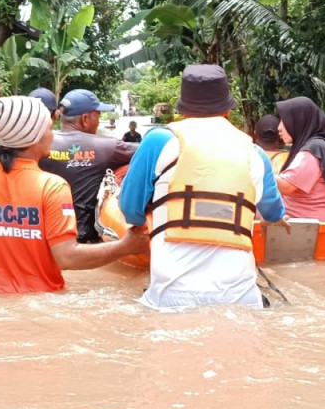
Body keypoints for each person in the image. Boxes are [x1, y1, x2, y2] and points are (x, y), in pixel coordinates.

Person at [0, 96, 148, 293]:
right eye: (49, 129)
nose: (52, 135)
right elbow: (67, 257)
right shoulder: (52, 186)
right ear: (35, 136)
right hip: (40, 299)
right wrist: (125, 246)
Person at [118, 63, 286, 310]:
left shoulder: (158, 141)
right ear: (228, 110)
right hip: (241, 298)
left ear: (183, 110)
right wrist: (279, 217)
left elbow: (130, 209)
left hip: (170, 297)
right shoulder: (255, 152)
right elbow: (273, 213)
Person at [39, 88, 139, 244]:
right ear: (85, 119)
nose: (98, 122)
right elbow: (150, 150)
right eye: (98, 115)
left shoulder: (39, 143)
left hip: (46, 234)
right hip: (85, 239)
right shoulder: (108, 147)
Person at [275, 97, 325, 220]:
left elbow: (285, 187)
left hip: (308, 225)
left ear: (299, 121)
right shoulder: (317, 146)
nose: (279, 127)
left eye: (284, 120)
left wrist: (259, 167)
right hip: (303, 221)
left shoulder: (312, 151)